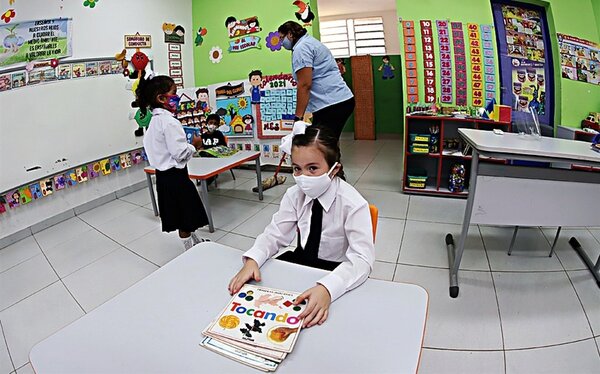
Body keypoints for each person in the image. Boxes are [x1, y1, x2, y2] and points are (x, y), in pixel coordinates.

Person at [228, 124, 375, 328]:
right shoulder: (294, 195)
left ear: (335, 169)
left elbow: (362, 259)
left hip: (336, 270)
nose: (303, 177)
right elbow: (274, 234)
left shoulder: (353, 204)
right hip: (302, 260)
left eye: (312, 168)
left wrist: (328, 288)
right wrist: (253, 258)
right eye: (297, 168)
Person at [137, 75, 210, 250]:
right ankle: (189, 250)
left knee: (185, 216)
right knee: (184, 219)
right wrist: (194, 146)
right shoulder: (169, 122)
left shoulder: (154, 123)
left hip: (164, 178)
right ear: (161, 98)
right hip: (176, 178)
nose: (177, 97)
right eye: (174, 93)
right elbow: (179, 153)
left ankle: (195, 242)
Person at [278, 21, 355, 140]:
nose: (281, 42)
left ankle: (331, 158)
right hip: (336, 101)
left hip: (332, 103)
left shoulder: (301, 48)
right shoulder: (310, 42)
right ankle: (333, 158)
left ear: (290, 34)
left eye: (282, 38)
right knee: (327, 142)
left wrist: (298, 118)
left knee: (319, 144)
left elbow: (304, 84)